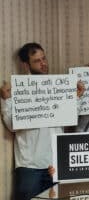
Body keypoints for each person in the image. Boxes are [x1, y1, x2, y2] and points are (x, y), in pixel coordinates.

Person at [0, 42, 84, 200]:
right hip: (30, 166)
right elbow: (12, 126)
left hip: (56, 164)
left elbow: (70, 119)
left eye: (44, 58)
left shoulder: (58, 87)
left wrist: (77, 98)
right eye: (37, 61)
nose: (43, 63)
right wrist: (5, 101)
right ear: (26, 65)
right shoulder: (19, 90)